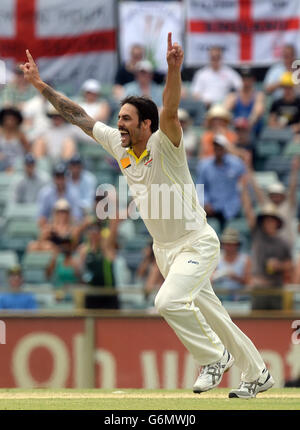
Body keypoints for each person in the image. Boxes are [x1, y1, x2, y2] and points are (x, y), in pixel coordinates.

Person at [20, 33, 274, 399]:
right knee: (216, 316)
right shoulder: (119, 145)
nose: (119, 124)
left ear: (146, 125)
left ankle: (214, 358)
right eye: (119, 118)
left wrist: (173, 69)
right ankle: (258, 374)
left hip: (196, 243)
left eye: (127, 119)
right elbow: (78, 115)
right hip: (165, 250)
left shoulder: (165, 143)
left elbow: (169, 108)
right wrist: (40, 84)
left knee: (166, 302)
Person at [241, 178, 293, 310]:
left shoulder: (283, 243)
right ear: (262, 222)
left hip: (276, 289)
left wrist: (279, 265)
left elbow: (290, 265)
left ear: (277, 223)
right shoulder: (258, 236)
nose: (268, 223)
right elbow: (248, 211)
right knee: (256, 325)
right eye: (266, 220)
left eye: (271, 220)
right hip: (259, 288)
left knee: (276, 325)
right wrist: (244, 189)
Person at [196, 134, 247, 230]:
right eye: (216, 146)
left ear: (225, 148)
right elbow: (200, 187)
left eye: (221, 146)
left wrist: (234, 151)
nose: (218, 149)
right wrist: (205, 203)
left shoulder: (236, 163)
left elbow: (246, 173)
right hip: (210, 210)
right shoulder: (204, 165)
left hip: (231, 209)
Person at [212, 228, 251, 300]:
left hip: (240, 296)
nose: (229, 247)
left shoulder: (245, 260)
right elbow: (210, 280)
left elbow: (249, 282)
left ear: (237, 245)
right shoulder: (216, 258)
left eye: (232, 244)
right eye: (227, 244)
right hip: (219, 295)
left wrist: (236, 277)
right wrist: (217, 276)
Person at [224, 67, 265, 137]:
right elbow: (225, 111)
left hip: (252, 130)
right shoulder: (234, 96)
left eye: (248, 79)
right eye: (244, 79)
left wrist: (246, 123)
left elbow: (257, 112)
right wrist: (235, 122)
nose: (246, 81)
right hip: (236, 128)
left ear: (253, 80)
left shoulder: (258, 95)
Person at [0, 107, 30, 171]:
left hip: (18, 164)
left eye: (12, 119)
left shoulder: (21, 135)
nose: (9, 122)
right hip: (2, 163)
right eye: (7, 119)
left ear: (17, 120)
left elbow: (28, 151)